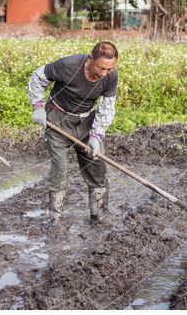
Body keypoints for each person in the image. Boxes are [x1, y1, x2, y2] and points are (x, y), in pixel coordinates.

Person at [27, 41, 119, 225]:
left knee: (96, 165)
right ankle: (55, 219)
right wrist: (38, 107)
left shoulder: (110, 77)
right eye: (101, 68)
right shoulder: (68, 66)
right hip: (58, 120)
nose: (104, 73)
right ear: (90, 58)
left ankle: (98, 215)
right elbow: (37, 78)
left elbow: (107, 107)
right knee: (60, 169)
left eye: (109, 69)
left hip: (86, 122)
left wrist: (96, 135)